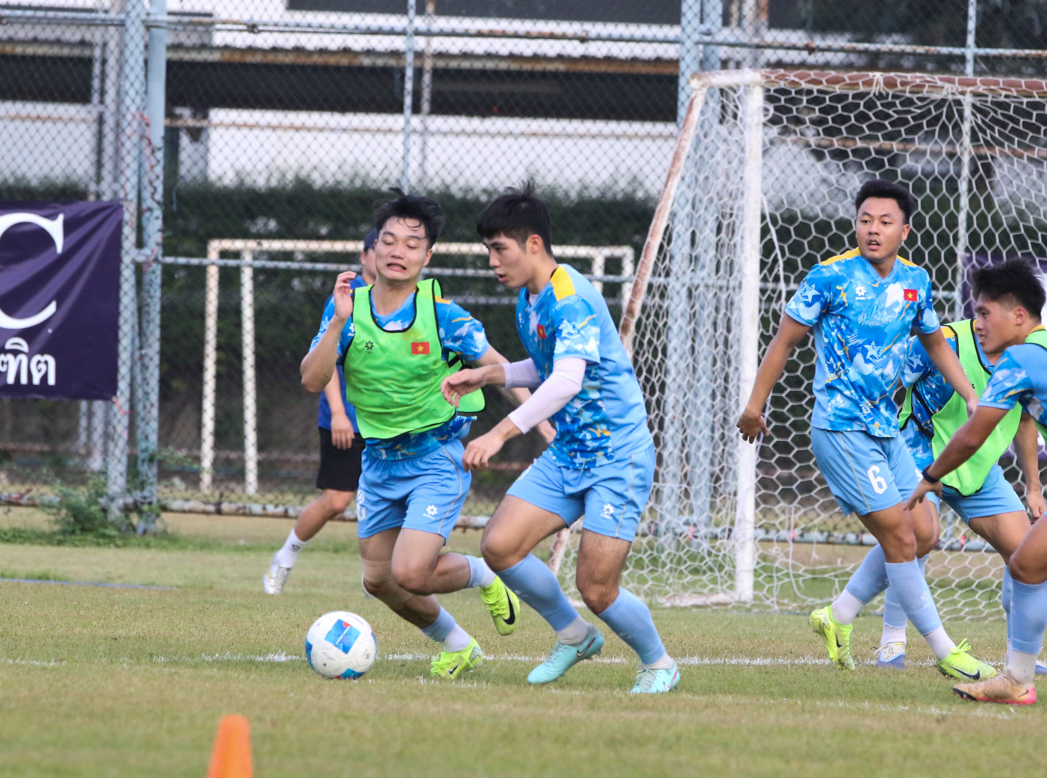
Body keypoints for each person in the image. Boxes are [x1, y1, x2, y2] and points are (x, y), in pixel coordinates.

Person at [736, 179, 994, 680]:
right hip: (841, 428)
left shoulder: (915, 281)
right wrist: (754, 406)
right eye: (865, 220)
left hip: (885, 428)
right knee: (900, 538)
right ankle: (945, 653)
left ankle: (837, 616)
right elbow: (783, 342)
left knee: (925, 533)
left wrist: (968, 393)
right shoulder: (829, 276)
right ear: (856, 225)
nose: (873, 230)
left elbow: (934, 341)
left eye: (885, 222)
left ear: (905, 231)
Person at [441, 182, 679, 694]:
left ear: (533, 244)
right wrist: (487, 375)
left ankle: (659, 663)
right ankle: (574, 636)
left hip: (617, 456)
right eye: (488, 250)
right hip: (570, 453)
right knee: (501, 546)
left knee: (596, 587)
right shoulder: (529, 299)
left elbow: (567, 379)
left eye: (499, 249)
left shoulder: (570, 297)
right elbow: (545, 366)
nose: (492, 262)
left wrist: (500, 433)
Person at [301, 191, 541, 680]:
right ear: (373, 250)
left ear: (427, 256)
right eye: (388, 241)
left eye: (412, 244)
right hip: (378, 462)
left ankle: (484, 575)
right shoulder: (347, 311)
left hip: (434, 458)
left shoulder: (444, 316)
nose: (398, 251)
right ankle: (459, 645)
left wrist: (543, 421)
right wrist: (338, 323)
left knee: (410, 572)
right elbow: (311, 378)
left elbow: (501, 369)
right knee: (378, 581)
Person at [877, 274, 1046, 669]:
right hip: (919, 456)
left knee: (1026, 557)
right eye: (977, 312)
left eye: (986, 313)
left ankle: (1020, 660)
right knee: (916, 538)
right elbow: (885, 385)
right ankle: (891, 641)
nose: (979, 321)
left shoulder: (1024, 357)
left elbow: (1017, 424)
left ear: (1018, 316)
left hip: (978, 470)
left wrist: (1033, 486)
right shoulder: (945, 341)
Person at [264, 229, 379, 595]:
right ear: (364, 256)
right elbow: (326, 359)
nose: (390, 255)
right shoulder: (347, 297)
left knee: (385, 500)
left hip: (390, 419)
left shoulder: (409, 300)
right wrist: (339, 413)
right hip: (346, 418)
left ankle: (377, 579)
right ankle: (285, 557)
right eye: (380, 247)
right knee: (337, 500)